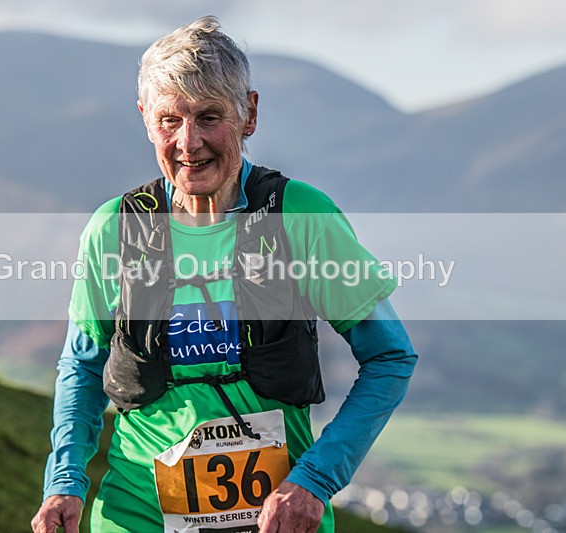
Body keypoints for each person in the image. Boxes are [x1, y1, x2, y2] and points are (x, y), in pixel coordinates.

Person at [31, 16, 417, 533]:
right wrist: (64, 482)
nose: (188, 143)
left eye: (209, 116)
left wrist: (315, 481)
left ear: (249, 113)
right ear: (146, 118)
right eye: (169, 120)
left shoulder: (300, 216)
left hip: (277, 519)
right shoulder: (114, 229)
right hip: (136, 514)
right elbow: (81, 366)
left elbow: (391, 356)